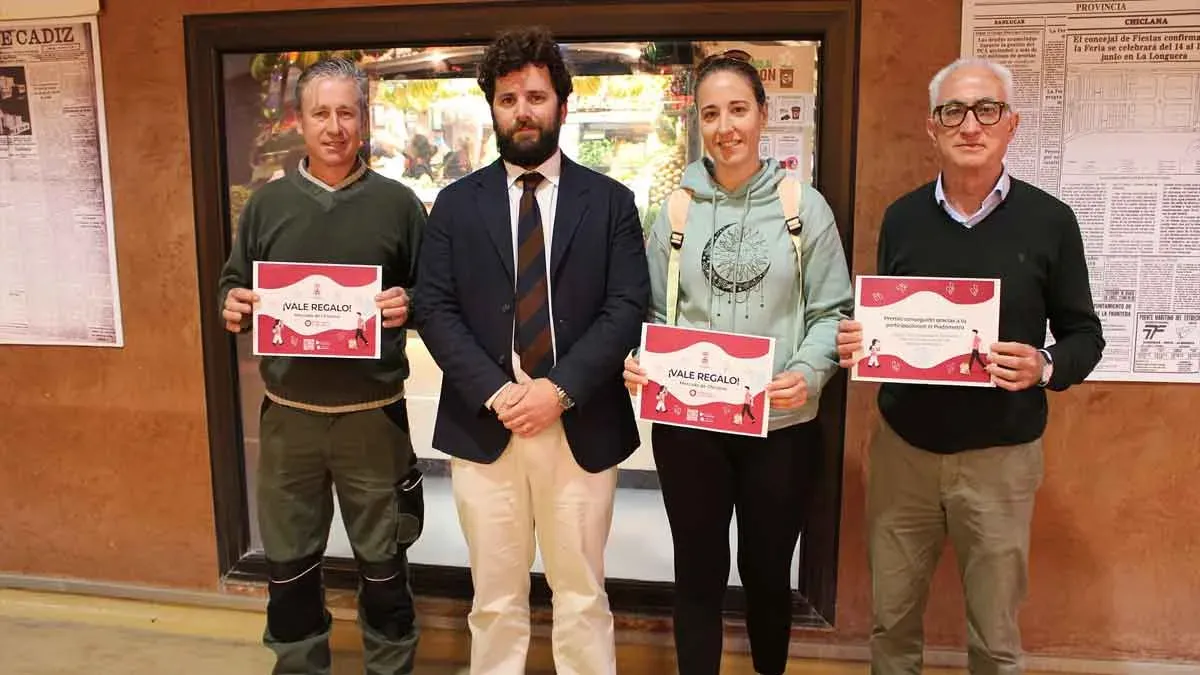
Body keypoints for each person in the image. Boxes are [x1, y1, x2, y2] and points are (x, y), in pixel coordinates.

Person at [835, 57, 1104, 675]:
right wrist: (862, 340)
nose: (970, 125)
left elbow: (1085, 336)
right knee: (892, 625)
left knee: (996, 638)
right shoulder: (902, 217)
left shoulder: (1051, 222)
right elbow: (884, 323)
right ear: (933, 128)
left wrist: (1044, 364)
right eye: (952, 111)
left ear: (1011, 124)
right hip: (904, 452)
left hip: (1001, 460)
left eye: (986, 110)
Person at [413, 27, 649, 675]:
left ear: (562, 107)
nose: (523, 110)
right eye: (509, 97)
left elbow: (625, 307)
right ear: (492, 106)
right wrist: (497, 390)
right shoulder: (455, 205)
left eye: (536, 96)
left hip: (580, 425)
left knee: (582, 594)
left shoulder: (611, 204)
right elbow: (433, 306)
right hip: (485, 424)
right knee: (493, 598)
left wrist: (557, 388)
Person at [623, 49, 852, 675]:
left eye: (739, 110)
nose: (726, 126)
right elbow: (648, 312)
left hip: (780, 428)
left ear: (763, 115)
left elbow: (832, 311)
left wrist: (807, 373)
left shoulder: (803, 207)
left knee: (768, 572)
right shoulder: (674, 210)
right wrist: (640, 359)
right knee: (696, 570)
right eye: (711, 113)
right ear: (697, 121)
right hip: (690, 424)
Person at [218, 57, 427, 675]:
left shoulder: (400, 205)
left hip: (372, 420)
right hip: (291, 422)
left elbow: (436, 294)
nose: (334, 126)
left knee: (385, 564)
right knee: (290, 568)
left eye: (346, 112)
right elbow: (235, 283)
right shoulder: (267, 205)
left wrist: (408, 303)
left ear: (362, 120)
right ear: (300, 122)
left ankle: (390, 665)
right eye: (320, 113)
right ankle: (299, 664)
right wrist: (231, 302)